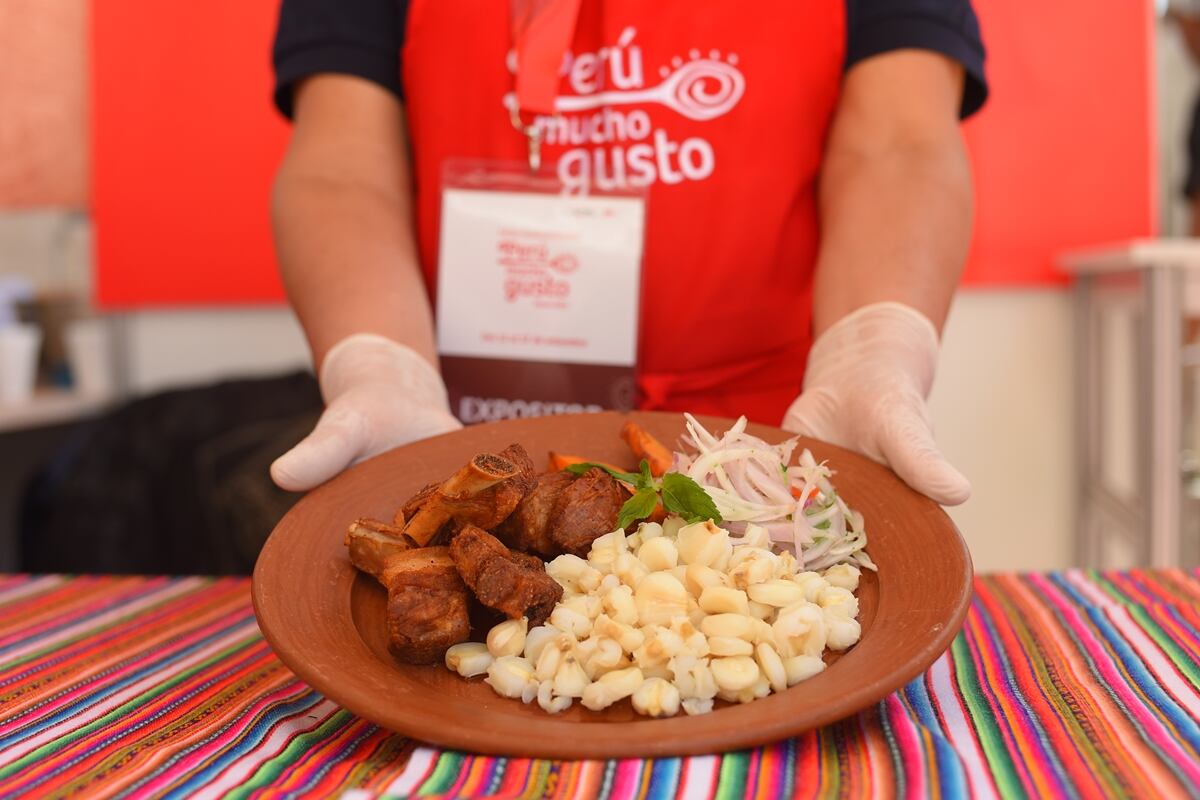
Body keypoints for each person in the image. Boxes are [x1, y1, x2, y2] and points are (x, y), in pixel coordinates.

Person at [268, 1, 987, 506]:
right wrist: (378, 366)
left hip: (777, 443)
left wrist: (874, 350)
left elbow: (899, 143)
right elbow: (343, 169)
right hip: (471, 439)